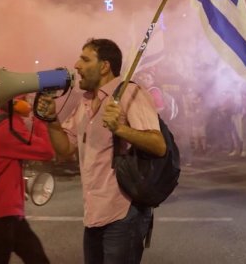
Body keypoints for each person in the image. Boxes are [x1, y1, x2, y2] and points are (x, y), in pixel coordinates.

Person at [38, 38, 165, 264]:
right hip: (94, 213)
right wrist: (51, 120)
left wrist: (120, 129)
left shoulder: (129, 93)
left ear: (104, 66)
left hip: (124, 212)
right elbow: (66, 149)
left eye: (85, 59)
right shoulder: (86, 102)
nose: (76, 65)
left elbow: (158, 144)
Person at [0, 96, 54, 264]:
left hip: (4, 210)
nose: (29, 102)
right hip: (2, 210)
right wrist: (39, 121)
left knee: (35, 255)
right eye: (25, 98)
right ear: (16, 103)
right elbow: (46, 151)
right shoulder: (7, 126)